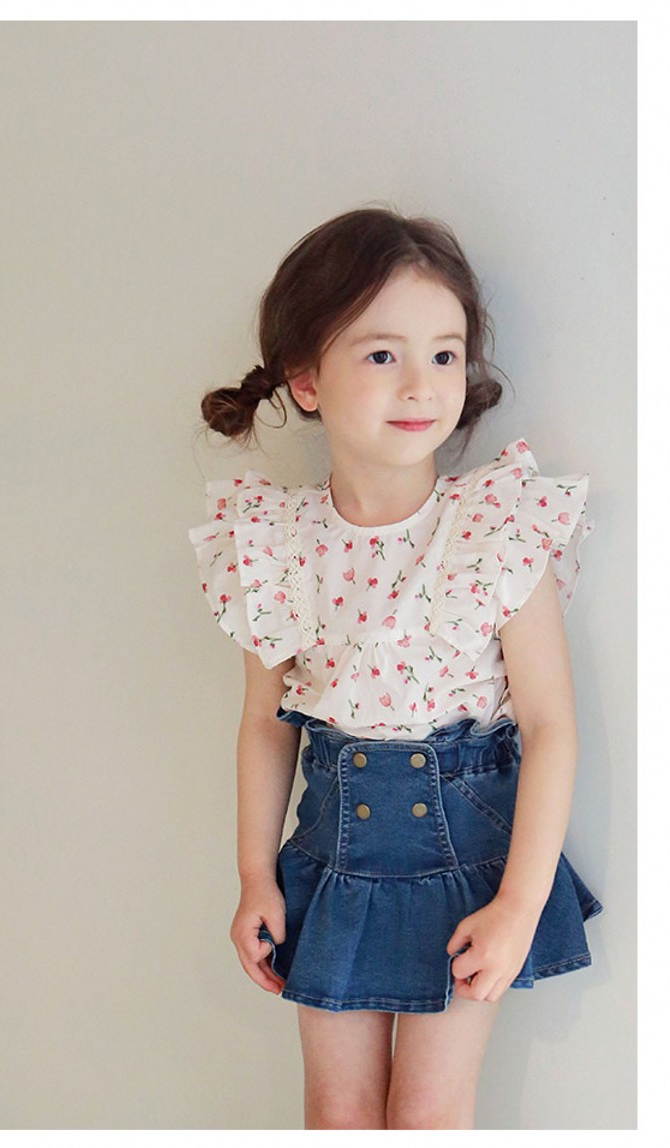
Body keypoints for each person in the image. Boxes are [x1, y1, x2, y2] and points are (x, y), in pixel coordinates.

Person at [187, 206, 603, 1130]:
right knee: (337, 1114)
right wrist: (255, 874)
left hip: (467, 861)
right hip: (333, 856)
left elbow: (550, 727)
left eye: (445, 354)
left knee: (426, 1115)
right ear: (306, 378)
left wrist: (520, 904)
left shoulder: (495, 531)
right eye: (382, 354)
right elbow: (264, 724)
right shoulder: (276, 542)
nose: (421, 383)